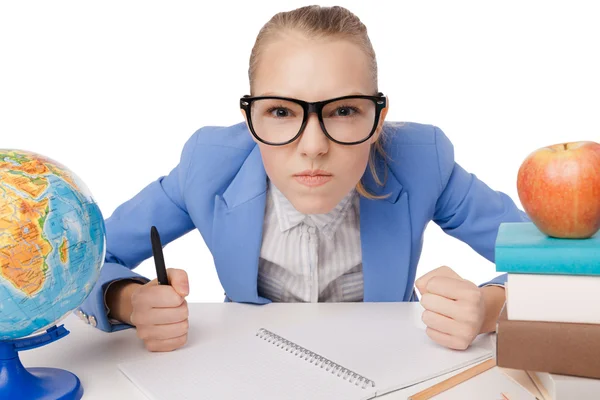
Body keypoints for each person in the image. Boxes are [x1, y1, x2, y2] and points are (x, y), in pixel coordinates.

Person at [76, 5, 529, 353]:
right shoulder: (207, 166)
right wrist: (130, 301)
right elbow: (84, 257)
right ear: (250, 117)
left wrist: (489, 309)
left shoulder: (422, 161)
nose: (313, 145)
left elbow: (561, 266)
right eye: (281, 111)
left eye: (345, 110)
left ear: (378, 118)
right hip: (248, 370)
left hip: (390, 368)